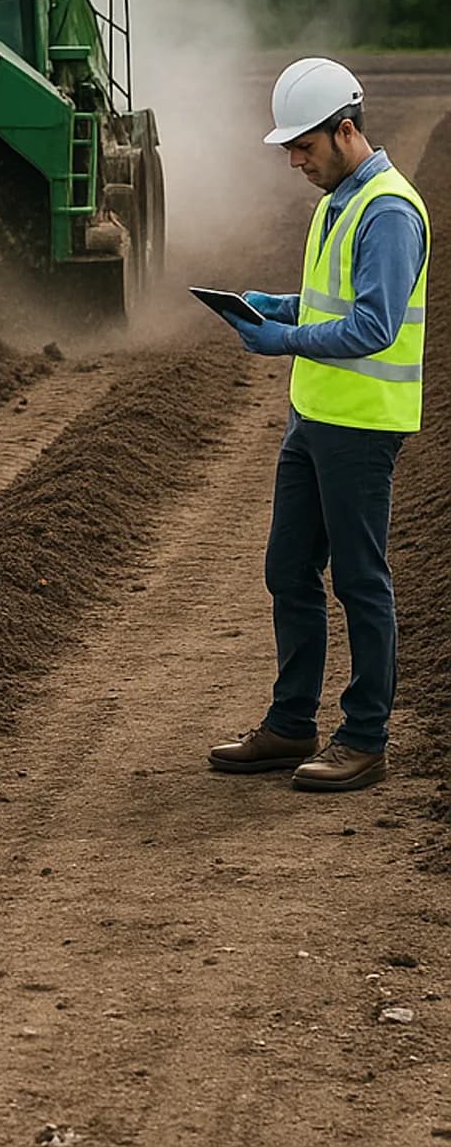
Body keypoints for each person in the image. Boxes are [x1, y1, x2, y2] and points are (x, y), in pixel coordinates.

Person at [209, 56, 431, 792]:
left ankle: (365, 737)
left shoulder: (389, 211)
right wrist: (281, 305)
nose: (296, 162)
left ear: (345, 130)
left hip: (362, 426)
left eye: (304, 147)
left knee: (361, 581)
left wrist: (285, 339)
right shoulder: (339, 200)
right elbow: (337, 305)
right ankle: (291, 724)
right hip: (314, 417)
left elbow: (371, 326)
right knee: (287, 569)